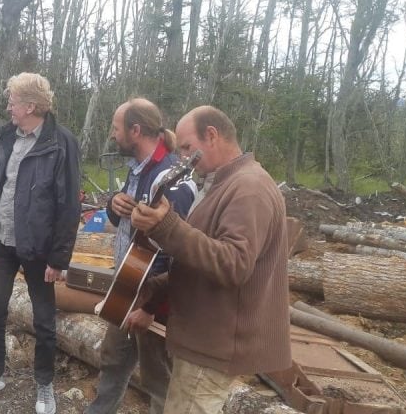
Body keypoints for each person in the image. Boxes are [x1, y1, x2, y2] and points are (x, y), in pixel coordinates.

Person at [130, 105, 291, 414]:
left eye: (189, 148)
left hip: (212, 345)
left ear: (212, 135)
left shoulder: (248, 188)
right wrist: (157, 286)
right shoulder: (226, 182)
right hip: (203, 339)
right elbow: (204, 259)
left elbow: (233, 265)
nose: (185, 159)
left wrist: (166, 226)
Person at [0, 72, 81, 414]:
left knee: (43, 320)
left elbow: (68, 203)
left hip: (40, 249)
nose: (8, 107)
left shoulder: (61, 142)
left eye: (12, 101)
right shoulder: (6, 137)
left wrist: (59, 259)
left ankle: (44, 386)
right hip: (3, 243)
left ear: (30, 106)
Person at [85, 98, 195, 414]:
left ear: (135, 130)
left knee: (159, 377)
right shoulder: (138, 171)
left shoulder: (172, 180)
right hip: (127, 285)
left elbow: (176, 253)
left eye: (115, 128)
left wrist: (151, 308)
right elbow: (130, 227)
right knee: (113, 359)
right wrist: (113, 204)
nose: (112, 135)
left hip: (154, 298)